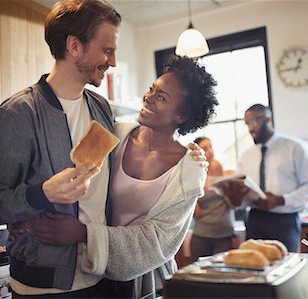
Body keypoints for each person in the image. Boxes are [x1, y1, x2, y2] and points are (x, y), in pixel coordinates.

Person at [0, 1, 205, 298]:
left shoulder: (100, 108)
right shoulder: (17, 115)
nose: (112, 62)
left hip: (100, 281)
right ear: (75, 46)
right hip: (43, 286)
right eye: (106, 50)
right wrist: (41, 194)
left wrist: (193, 156)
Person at [18, 56, 218, 298]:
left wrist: (84, 233)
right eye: (152, 89)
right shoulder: (112, 134)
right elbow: (65, 175)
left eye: (162, 98)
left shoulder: (189, 171)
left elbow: (158, 240)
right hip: (92, 275)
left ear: (181, 117)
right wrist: (26, 213)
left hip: (149, 286)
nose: (149, 98)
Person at [225, 104, 308, 252]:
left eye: (252, 122)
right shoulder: (246, 156)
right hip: (254, 219)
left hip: (284, 221)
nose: (250, 129)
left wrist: (280, 200)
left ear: (267, 119)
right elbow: (241, 190)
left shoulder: (295, 148)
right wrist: (236, 199)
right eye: (247, 124)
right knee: (254, 268)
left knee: (285, 267)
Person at [190, 137, 237, 262]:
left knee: (225, 277)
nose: (210, 151)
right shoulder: (195, 176)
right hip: (202, 235)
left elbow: (233, 205)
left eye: (211, 146)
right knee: (201, 277)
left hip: (224, 234)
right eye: (205, 149)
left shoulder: (222, 170)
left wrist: (227, 189)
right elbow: (197, 214)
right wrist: (191, 194)